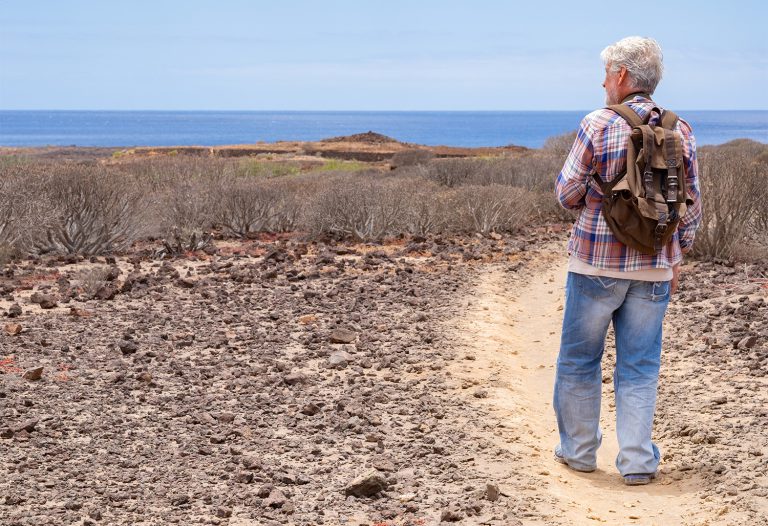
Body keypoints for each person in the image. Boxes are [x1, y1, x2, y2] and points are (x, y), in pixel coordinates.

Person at [553, 36, 703, 486]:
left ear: (621, 76)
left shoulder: (597, 123)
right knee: (639, 365)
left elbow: (566, 194)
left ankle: (579, 453)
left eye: (606, 74)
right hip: (654, 267)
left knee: (580, 361)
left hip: (596, 264)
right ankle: (637, 462)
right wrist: (677, 257)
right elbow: (691, 206)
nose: (602, 82)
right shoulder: (682, 130)